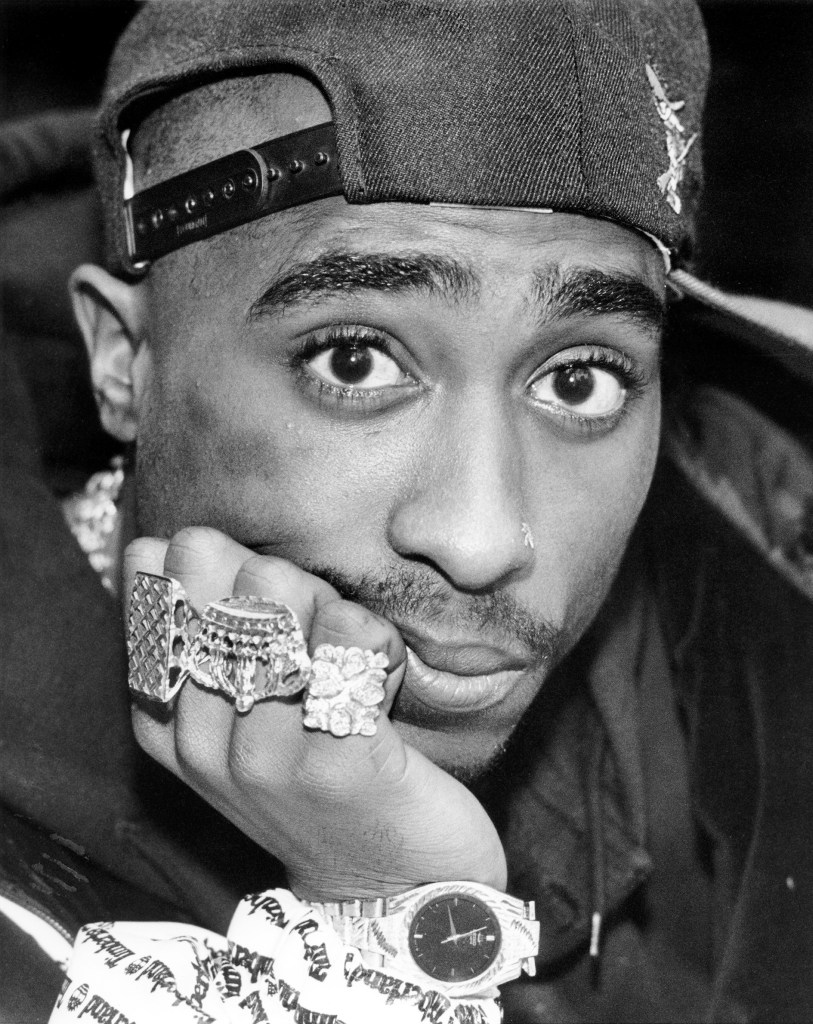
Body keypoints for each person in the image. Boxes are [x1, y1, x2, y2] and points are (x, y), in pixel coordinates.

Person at [2, 1, 812, 1021]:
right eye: (354, 361)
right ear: (125, 363)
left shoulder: (756, 646)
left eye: (579, 380)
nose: (480, 541)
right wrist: (382, 925)